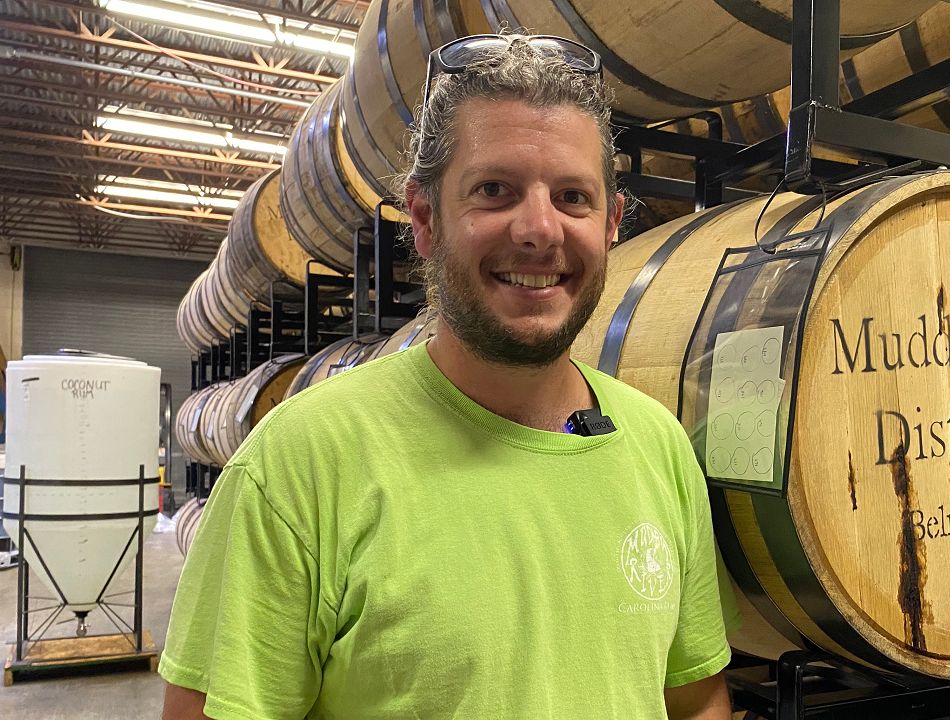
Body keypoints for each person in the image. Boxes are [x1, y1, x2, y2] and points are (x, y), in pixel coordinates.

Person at [160, 33, 733, 719]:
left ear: (611, 224)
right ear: (426, 219)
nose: (539, 229)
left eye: (572, 197)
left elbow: (695, 700)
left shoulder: (659, 447)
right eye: (494, 191)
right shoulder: (297, 463)